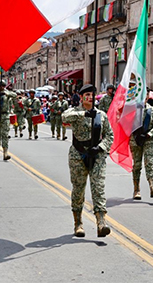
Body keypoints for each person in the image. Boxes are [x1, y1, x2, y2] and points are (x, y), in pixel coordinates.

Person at [63, 84, 113, 238]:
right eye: (87, 95)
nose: (90, 98)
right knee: (78, 189)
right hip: (78, 155)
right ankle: (78, 223)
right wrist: (84, 114)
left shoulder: (101, 115)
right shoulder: (75, 112)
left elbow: (109, 135)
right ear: (81, 97)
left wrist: (100, 147)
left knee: (98, 188)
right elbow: (64, 117)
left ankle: (101, 222)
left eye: (92, 95)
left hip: (97, 155)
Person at [130, 100, 153, 200]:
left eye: (146, 94)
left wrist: (149, 134)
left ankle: (152, 186)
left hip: (148, 140)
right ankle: (136, 189)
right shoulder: (132, 109)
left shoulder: (152, 110)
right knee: (137, 165)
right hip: (135, 140)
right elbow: (126, 124)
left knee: (149, 163)